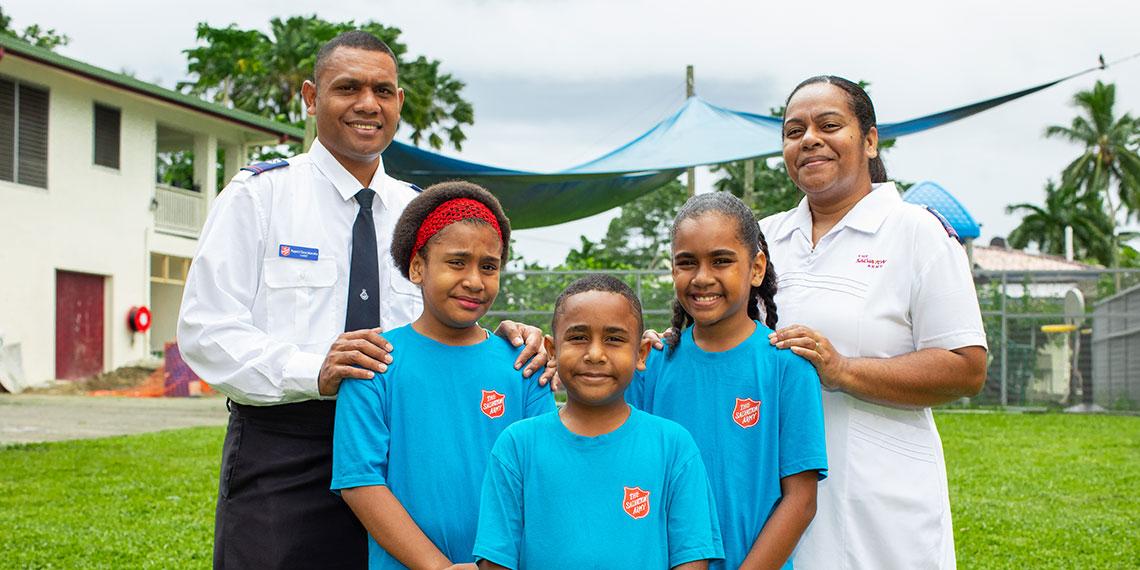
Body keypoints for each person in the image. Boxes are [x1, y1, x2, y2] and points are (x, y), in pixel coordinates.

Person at [177, 31, 552, 569]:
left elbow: (442, 319)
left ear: (399, 102)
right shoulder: (258, 197)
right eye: (347, 87)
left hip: (404, 453)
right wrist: (314, 370)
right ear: (310, 97)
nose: (367, 104)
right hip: (287, 447)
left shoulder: (421, 214)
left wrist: (502, 338)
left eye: (382, 89)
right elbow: (205, 329)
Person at [763, 76, 988, 569]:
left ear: (868, 140)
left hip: (880, 497)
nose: (809, 140)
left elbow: (966, 367)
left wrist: (843, 370)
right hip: (774, 492)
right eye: (793, 130)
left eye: (829, 125)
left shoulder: (916, 232)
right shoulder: (763, 239)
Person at [332, 181, 555, 569]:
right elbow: (360, 481)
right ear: (418, 267)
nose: (474, 280)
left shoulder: (523, 364)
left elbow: (544, 475)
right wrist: (438, 568)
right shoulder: (375, 361)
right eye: (457, 262)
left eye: (489, 266)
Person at [629, 192, 828, 570]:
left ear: (756, 268)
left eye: (721, 261)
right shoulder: (649, 365)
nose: (702, 278)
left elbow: (801, 502)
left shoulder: (788, 366)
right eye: (687, 263)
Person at [473, 274, 724, 570]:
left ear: (641, 353)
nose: (594, 354)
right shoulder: (517, 445)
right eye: (578, 337)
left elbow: (692, 560)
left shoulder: (673, 446)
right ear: (552, 351)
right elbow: (495, 561)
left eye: (614, 339)